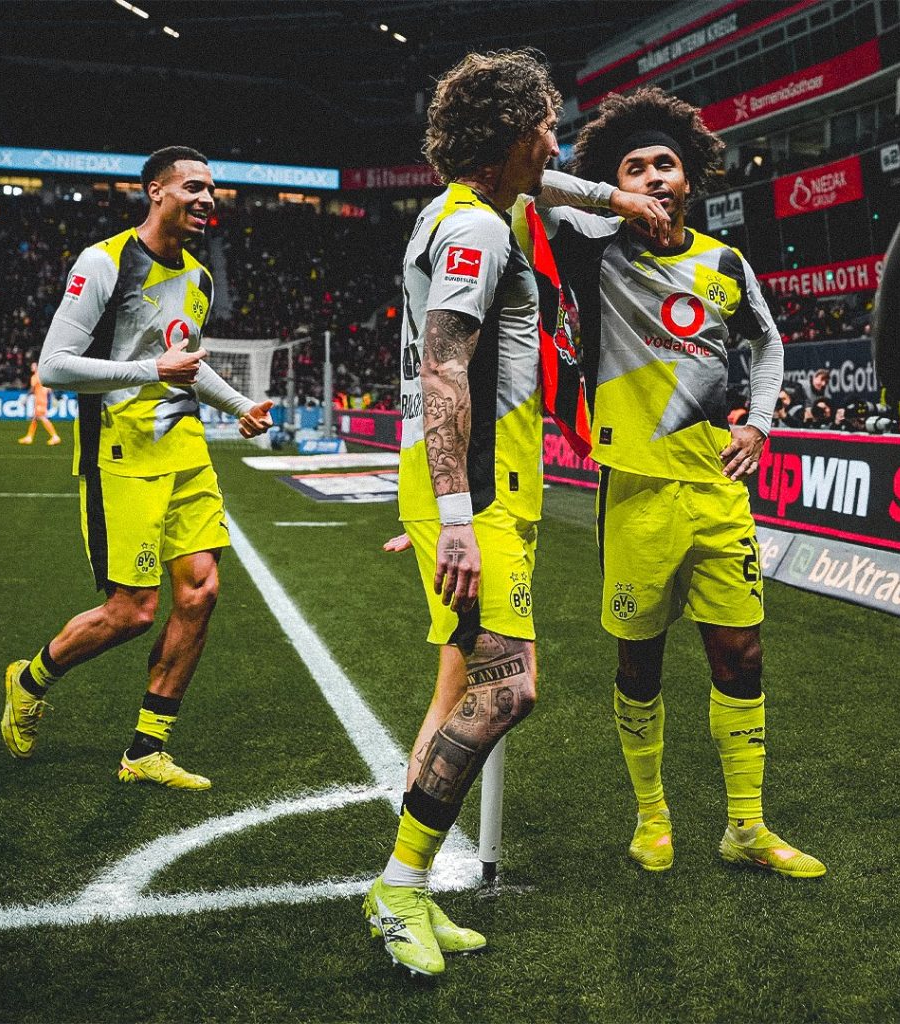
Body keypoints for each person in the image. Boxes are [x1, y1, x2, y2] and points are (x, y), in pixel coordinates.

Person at [362, 50, 668, 978]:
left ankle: (411, 884)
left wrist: (621, 203)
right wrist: (454, 515)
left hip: (487, 493)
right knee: (508, 690)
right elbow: (445, 367)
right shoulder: (479, 234)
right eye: (545, 124)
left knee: (482, 687)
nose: (557, 138)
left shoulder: (489, 209)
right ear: (508, 137)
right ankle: (399, 885)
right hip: (478, 497)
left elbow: (563, 184)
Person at [540, 86, 825, 878]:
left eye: (666, 164)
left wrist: (759, 425)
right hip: (635, 494)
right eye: (636, 167)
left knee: (742, 659)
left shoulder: (724, 264)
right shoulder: (592, 247)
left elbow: (767, 349)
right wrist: (610, 198)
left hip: (716, 497)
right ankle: (651, 818)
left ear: (690, 180)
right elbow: (531, 179)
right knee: (639, 665)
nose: (655, 176)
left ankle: (746, 827)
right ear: (616, 183)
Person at [0, 146, 273, 789]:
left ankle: (147, 749)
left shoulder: (200, 280)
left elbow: (188, 361)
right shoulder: (104, 262)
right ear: (155, 190)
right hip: (118, 453)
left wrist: (239, 406)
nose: (207, 200)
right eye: (193, 188)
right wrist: (150, 371)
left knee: (201, 591)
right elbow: (57, 365)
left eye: (213, 191)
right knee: (133, 611)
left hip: (185, 452)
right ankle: (31, 678)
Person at [18, 361, 62, 445]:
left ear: (37, 367)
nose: (32, 367)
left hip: (39, 401)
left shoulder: (35, 377)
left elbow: (32, 389)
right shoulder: (43, 376)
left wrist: (25, 399)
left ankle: (55, 436)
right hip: (43, 400)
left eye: (33, 366)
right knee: (35, 418)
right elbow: (49, 389)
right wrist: (53, 399)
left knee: (42, 418)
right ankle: (29, 437)